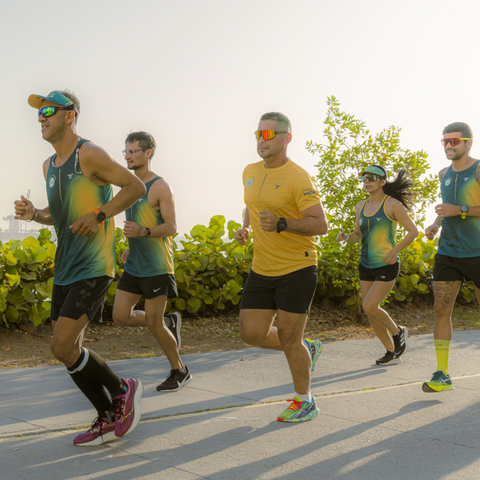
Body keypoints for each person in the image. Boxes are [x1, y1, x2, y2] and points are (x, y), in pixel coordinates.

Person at [14, 90, 146, 446]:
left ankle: (123, 390)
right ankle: (107, 416)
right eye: (39, 112)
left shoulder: (88, 155)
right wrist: (34, 215)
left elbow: (134, 186)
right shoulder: (49, 166)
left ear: (70, 116)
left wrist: (100, 214)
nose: (41, 117)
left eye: (49, 110)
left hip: (93, 264)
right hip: (66, 267)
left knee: (61, 346)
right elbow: (57, 216)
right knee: (69, 350)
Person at [235, 112, 328, 423]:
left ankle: (305, 401)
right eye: (258, 134)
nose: (261, 141)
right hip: (262, 268)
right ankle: (306, 349)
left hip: (297, 268)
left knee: (289, 337)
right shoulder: (249, 171)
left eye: (268, 135)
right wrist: (245, 226)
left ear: (286, 138)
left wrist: (283, 223)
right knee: (251, 333)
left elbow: (320, 225)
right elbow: (252, 202)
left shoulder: (298, 178)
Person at [112, 131, 191, 392]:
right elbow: (136, 226)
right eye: (126, 151)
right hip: (135, 265)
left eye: (133, 151)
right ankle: (169, 322)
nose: (128, 156)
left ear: (148, 153)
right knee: (120, 316)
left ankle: (179, 370)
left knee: (153, 324)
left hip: (157, 268)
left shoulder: (160, 186)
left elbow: (171, 227)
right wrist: (129, 248)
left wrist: (143, 233)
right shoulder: (130, 187)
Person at [336, 165, 418, 365]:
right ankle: (391, 352)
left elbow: (413, 231)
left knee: (370, 305)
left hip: (386, 264)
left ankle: (398, 333)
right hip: (366, 264)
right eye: (364, 178)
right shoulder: (360, 206)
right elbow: (358, 235)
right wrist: (346, 237)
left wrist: (395, 250)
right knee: (371, 311)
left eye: (372, 178)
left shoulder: (392, 205)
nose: (366, 181)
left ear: (383, 181)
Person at [423, 122, 480, 393]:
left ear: (468, 143)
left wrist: (461, 209)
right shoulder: (443, 173)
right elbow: (448, 209)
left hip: (478, 252)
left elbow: (459, 208)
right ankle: (442, 373)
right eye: (445, 141)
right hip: (448, 252)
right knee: (440, 309)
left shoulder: (478, 170)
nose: (448, 145)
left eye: (455, 141)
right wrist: (436, 224)